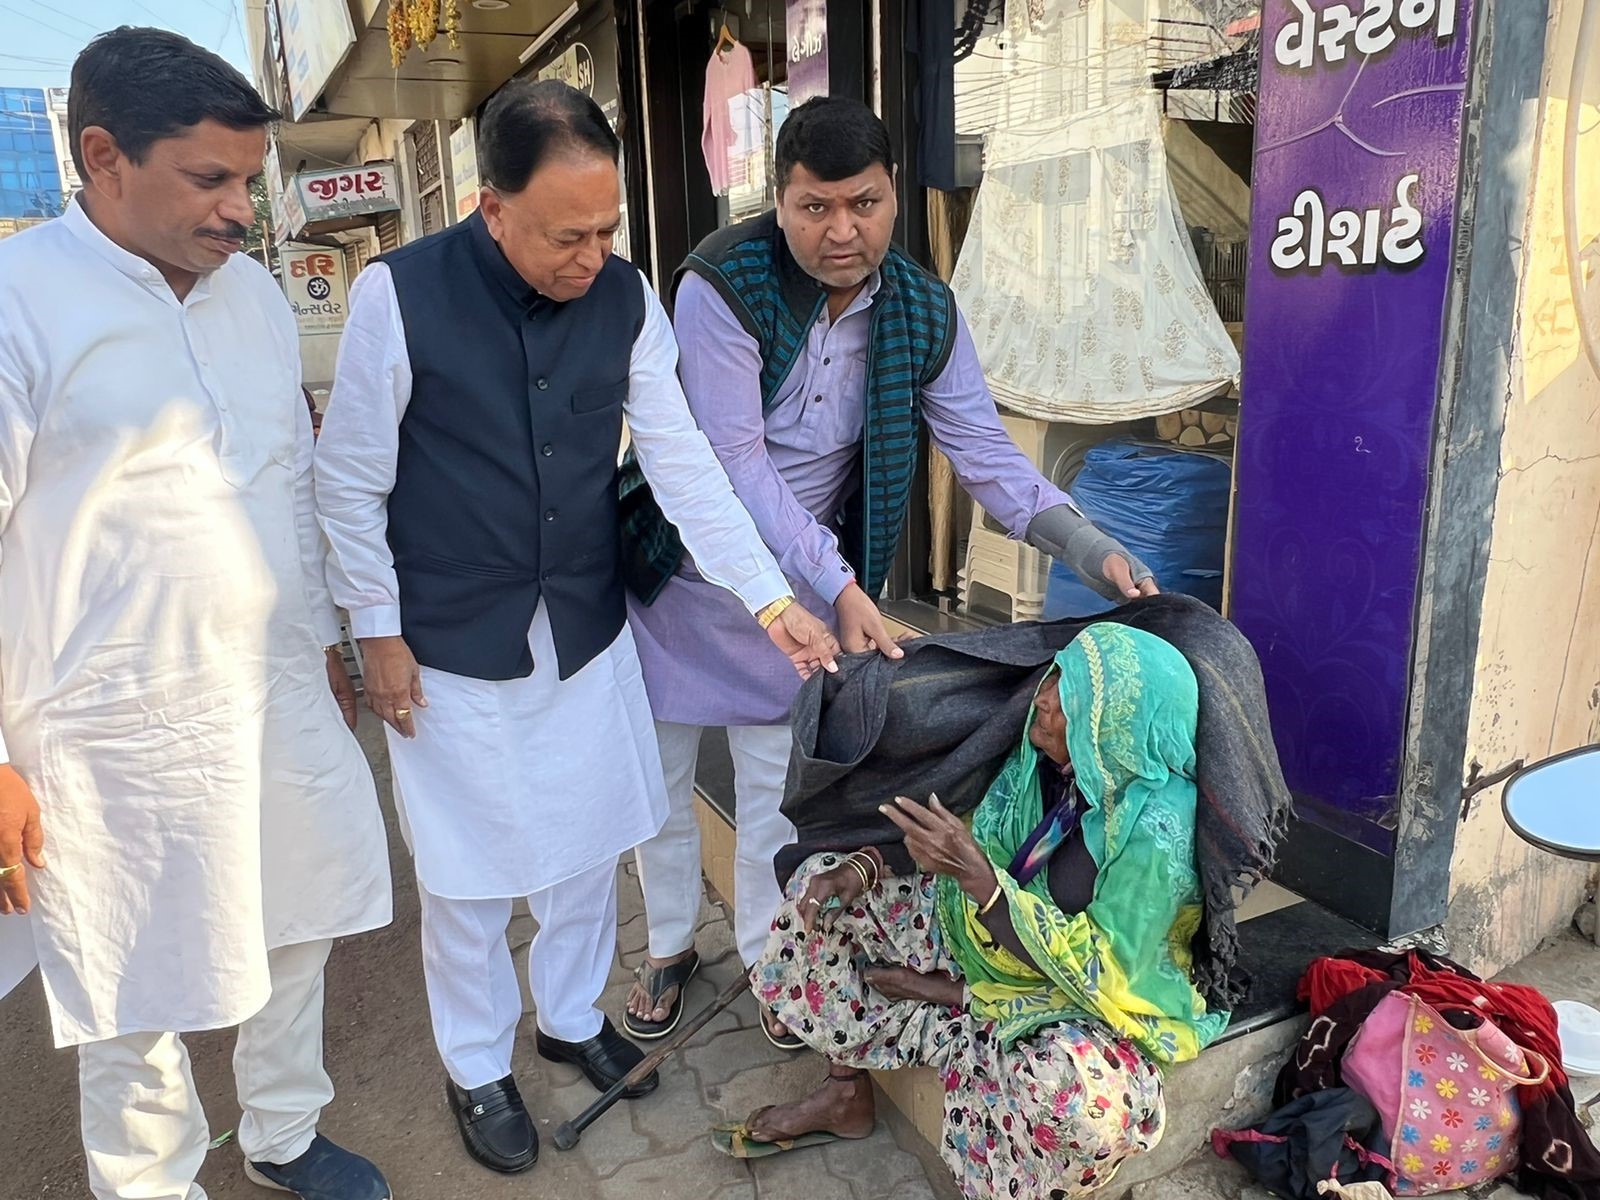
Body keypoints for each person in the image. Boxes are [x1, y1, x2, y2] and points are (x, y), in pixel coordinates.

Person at [312, 79, 840, 1177]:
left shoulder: (627, 298)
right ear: (492, 207)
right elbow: (350, 481)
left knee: (588, 840)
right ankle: (475, 1064)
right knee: (467, 873)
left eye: (607, 229)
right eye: (568, 235)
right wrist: (376, 631)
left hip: (586, 624)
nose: (593, 254)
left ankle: (567, 1016)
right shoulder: (398, 296)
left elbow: (684, 465)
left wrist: (768, 598)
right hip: (448, 637)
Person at [624, 96, 1157, 1047]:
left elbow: (981, 447)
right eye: (815, 208)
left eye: (863, 205)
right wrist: (839, 584)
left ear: (895, 194)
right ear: (779, 201)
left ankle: (770, 965)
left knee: (777, 790)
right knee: (656, 783)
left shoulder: (921, 307)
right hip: (685, 574)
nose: (843, 231)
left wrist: (1087, 544)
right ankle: (667, 944)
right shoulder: (721, 285)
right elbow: (732, 464)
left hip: (808, 593)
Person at [0, 29, 391, 1200]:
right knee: (134, 978)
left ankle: (283, 1133)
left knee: (298, 917)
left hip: (273, 685)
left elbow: (290, 481)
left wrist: (327, 639)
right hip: (108, 728)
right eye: (209, 179)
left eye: (249, 180)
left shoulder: (253, 296)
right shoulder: (20, 302)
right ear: (103, 157)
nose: (239, 211)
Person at [723, 623, 1231, 1200]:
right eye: (1055, 675)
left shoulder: (1157, 828)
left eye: (1070, 693)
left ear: (1116, 722)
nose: (1044, 697)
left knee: (1081, 1098)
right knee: (821, 892)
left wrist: (967, 945)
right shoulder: (1051, 764)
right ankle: (845, 1091)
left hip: (1078, 998)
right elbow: (971, 836)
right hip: (974, 934)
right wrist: (866, 865)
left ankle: (962, 1018)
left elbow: (1108, 973)